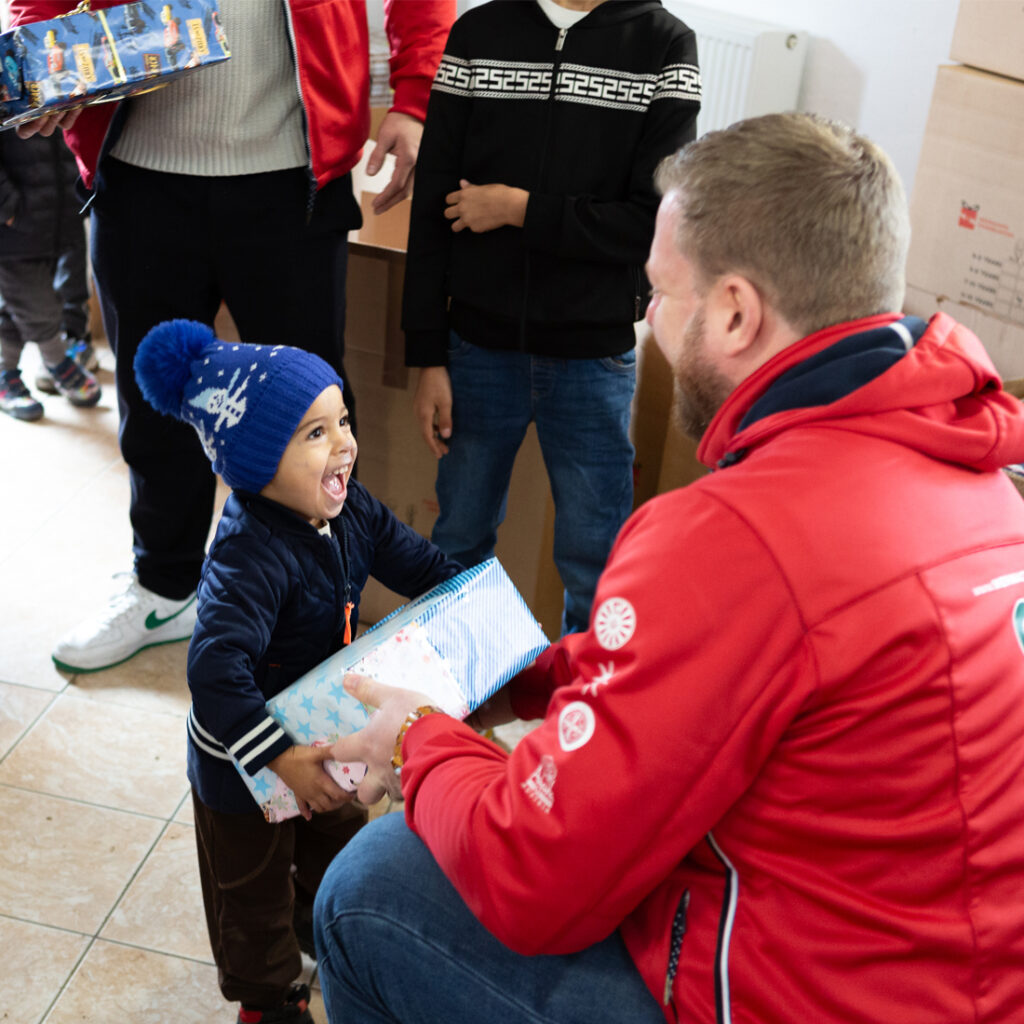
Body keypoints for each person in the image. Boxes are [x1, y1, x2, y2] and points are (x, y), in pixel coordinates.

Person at [314, 113, 1024, 1023]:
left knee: (373, 883)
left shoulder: (734, 536)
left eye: (658, 292)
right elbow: (738, 666)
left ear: (734, 311)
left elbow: (535, 877)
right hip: (950, 977)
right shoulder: (980, 474)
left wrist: (420, 741)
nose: (648, 318)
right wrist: (522, 674)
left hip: (805, 998)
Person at [8, 0, 455, 671]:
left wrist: (417, 95)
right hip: (138, 171)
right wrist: (43, 58)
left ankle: (318, 609)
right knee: (154, 401)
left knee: (312, 415)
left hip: (293, 174)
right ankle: (164, 586)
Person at [133, 318, 462, 1024]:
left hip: (324, 728)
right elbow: (217, 674)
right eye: (315, 433)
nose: (344, 441)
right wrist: (281, 758)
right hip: (243, 758)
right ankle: (269, 997)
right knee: (250, 892)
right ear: (253, 462)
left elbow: (427, 570)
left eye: (342, 419)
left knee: (337, 847)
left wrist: (472, 610)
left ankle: (327, 933)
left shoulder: (352, 511)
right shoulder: (246, 557)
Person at [402, 0, 700, 635]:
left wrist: (523, 210)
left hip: (594, 359)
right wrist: (427, 353)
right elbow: (432, 207)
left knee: (597, 560)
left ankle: (586, 718)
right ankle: (443, 708)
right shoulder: (479, 33)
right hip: (475, 348)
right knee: (458, 542)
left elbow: (653, 222)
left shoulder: (665, 45)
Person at [0, 128, 100, 420]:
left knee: (16, 307)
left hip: (54, 217)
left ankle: (6, 377)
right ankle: (59, 364)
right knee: (40, 307)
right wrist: (6, 207)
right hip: (12, 228)